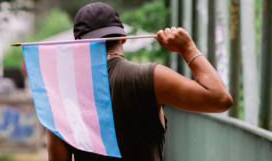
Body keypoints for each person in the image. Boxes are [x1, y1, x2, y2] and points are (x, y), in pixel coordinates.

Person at [46, 2, 233, 161]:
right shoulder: (151, 78)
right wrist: (188, 48)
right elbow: (220, 99)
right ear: (124, 38)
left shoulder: (61, 96)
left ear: (78, 43)